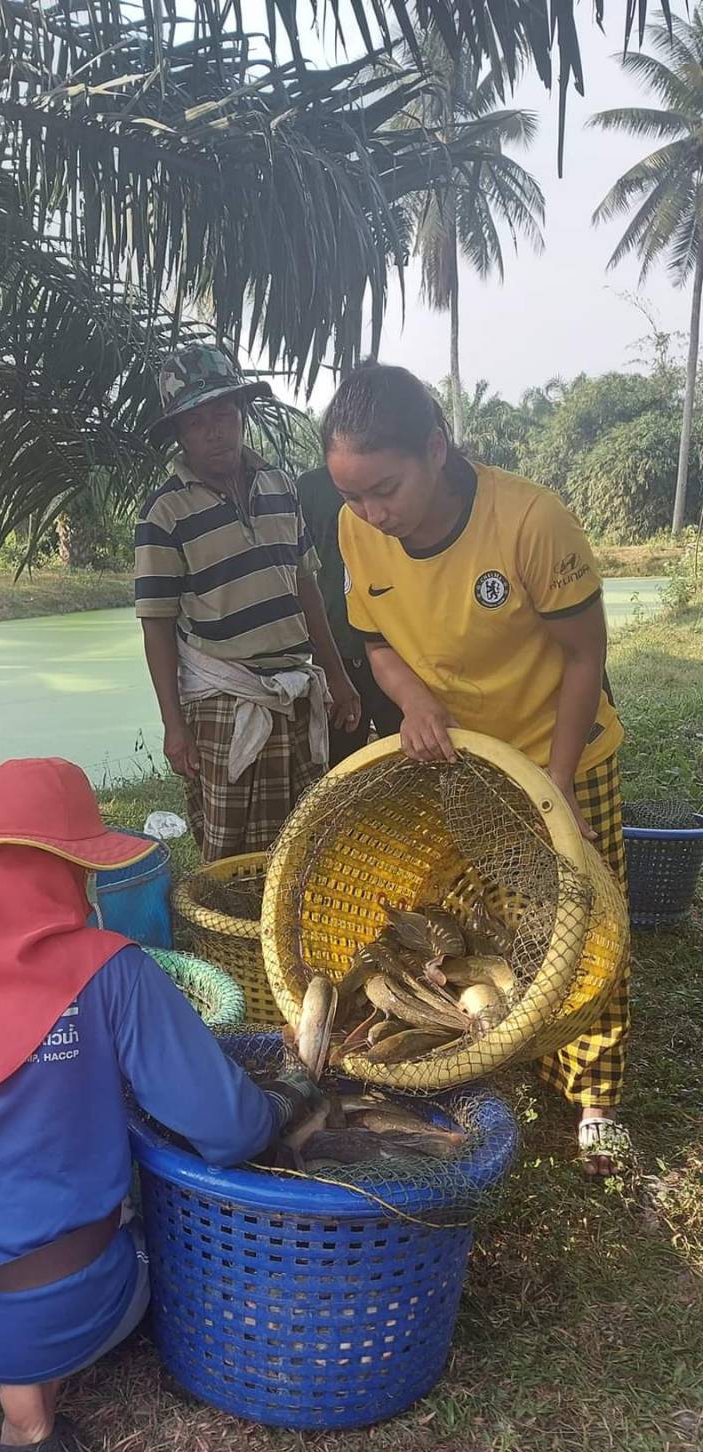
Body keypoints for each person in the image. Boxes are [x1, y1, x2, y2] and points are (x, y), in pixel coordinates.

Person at [0, 758, 317, 1452]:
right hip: (50, 1314)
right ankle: (28, 1417)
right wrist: (289, 1097)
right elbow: (230, 1130)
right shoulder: (112, 971)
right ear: (66, 870)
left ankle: (6, 1375)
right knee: (157, 1239)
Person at [321, 361, 629, 1177]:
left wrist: (556, 784)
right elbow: (376, 645)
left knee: (588, 922)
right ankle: (516, 1043)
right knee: (502, 924)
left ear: (434, 448)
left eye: (383, 489)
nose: (369, 513)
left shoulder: (531, 520)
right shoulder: (358, 530)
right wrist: (415, 702)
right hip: (464, 761)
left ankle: (596, 1094)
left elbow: (583, 654)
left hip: (560, 746)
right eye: (350, 496)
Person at [134, 344, 361, 861]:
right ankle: (230, 938)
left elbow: (305, 587)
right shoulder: (165, 513)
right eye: (197, 421)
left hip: (296, 689)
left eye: (224, 413)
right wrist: (173, 725)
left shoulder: (281, 486)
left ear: (242, 414)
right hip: (224, 697)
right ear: (180, 434)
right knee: (230, 847)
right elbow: (157, 626)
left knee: (306, 839)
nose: (215, 430)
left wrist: (337, 676)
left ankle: (296, 930)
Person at [297, 464, 402, 765]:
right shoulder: (310, 488)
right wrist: (326, 663)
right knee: (343, 767)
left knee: (416, 754)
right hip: (339, 650)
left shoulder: (393, 478)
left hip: (399, 651)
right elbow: (300, 572)